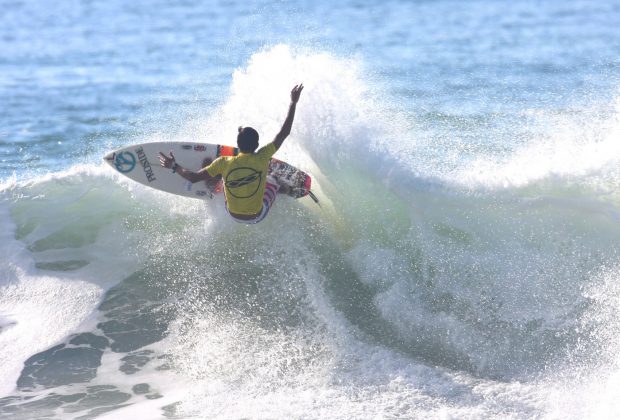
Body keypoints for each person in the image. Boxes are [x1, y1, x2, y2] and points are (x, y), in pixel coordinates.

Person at [158, 84, 304, 224]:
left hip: (231, 214)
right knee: (273, 178)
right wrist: (293, 103)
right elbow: (284, 133)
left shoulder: (224, 162)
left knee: (216, 169)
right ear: (257, 146)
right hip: (258, 215)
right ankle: (287, 189)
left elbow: (193, 178)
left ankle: (214, 183)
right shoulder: (263, 157)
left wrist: (174, 166)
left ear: (238, 146)